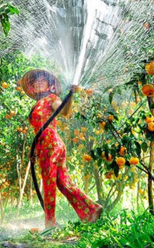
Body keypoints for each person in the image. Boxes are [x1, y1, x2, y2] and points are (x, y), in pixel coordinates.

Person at [21, 69, 103, 229]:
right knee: (64, 183)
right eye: (35, 81)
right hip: (44, 146)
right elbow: (38, 130)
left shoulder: (51, 99)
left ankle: (50, 224)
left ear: (49, 85)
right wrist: (35, 152)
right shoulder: (38, 103)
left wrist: (70, 95)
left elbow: (65, 111)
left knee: (49, 183)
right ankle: (92, 209)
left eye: (42, 80)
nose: (38, 82)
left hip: (51, 145)